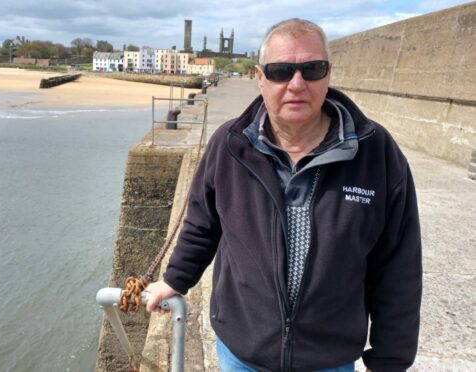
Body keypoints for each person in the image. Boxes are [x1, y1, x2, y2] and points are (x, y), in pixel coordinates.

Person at [145, 18, 422, 372]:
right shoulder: (229, 146)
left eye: (312, 69)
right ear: (259, 77)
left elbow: (399, 264)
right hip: (242, 352)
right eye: (280, 71)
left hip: (329, 359)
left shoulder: (376, 152)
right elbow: (202, 223)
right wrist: (174, 279)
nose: (296, 83)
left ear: (329, 74)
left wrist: (390, 360)